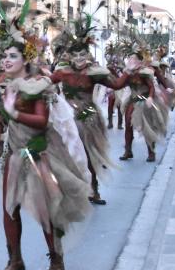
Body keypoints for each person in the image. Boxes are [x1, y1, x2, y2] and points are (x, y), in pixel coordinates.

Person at [0, 0, 92, 270]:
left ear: (26, 58)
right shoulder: (6, 85)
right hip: (13, 155)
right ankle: (15, 259)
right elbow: (3, 119)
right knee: (9, 209)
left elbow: (41, 121)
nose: (6, 61)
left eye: (12, 55)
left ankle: (56, 261)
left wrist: (12, 113)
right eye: (3, 56)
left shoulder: (37, 84)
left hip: (38, 154)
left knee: (47, 210)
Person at [49, 26, 130, 205]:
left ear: (88, 55)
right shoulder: (63, 72)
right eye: (75, 55)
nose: (79, 58)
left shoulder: (94, 73)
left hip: (87, 114)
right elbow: (46, 83)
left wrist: (128, 71)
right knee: (66, 154)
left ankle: (94, 189)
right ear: (69, 56)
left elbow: (116, 85)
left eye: (82, 55)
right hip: (67, 115)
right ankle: (70, 190)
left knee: (87, 153)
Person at [118, 50, 166, 162]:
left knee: (147, 127)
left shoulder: (144, 72)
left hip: (144, 100)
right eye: (130, 58)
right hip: (133, 100)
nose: (131, 60)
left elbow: (151, 87)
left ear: (140, 61)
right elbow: (118, 84)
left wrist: (150, 97)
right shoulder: (127, 73)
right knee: (128, 125)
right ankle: (128, 151)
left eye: (134, 58)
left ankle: (151, 152)